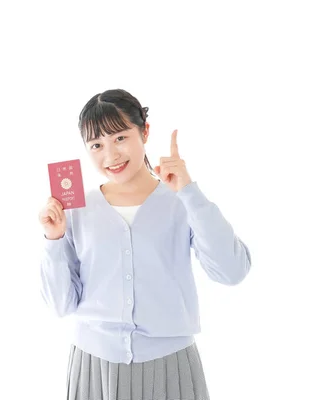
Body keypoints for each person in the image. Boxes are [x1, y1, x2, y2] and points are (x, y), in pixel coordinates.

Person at [38, 89, 252, 400]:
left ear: (145, 132)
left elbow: (232, 271)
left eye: (120, 138)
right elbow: (60, 305)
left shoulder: (181, 201)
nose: (110, 156)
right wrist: (53, 240)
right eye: (97, 144)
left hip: (171, 368)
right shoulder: (76, 210)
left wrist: (189, 191)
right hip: (94, 369)